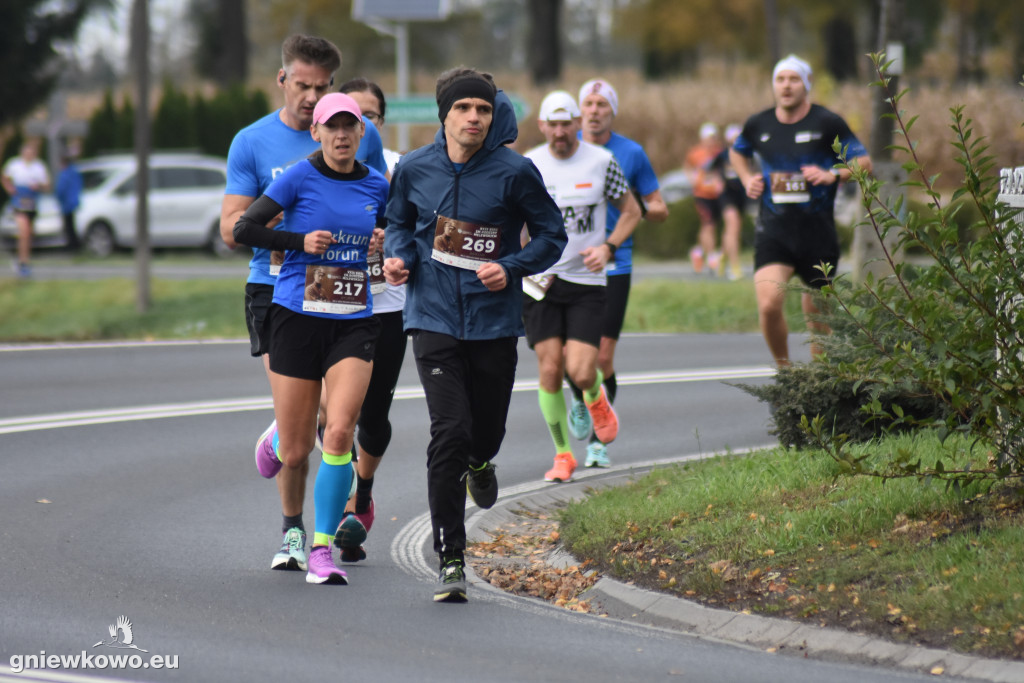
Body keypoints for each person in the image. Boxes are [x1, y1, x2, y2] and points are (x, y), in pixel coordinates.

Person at [382, 67, 566, 602]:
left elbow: (552, 234)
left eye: (483, 110)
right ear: (445, 115)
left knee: (482, 435)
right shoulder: (415, 168)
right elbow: (398, 221)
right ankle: (452, 557)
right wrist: (398, 256)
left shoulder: (514, 172)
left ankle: (483, 463)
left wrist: (511, 266)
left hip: (493, 322)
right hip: (432, 317)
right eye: (463, 108)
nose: (474, 118)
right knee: (450, 432)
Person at [219, 34, 387, 576]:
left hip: (348, 301)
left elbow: (387, 213)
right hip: (277, 289)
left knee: (336, 424)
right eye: (303, 86)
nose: (311, 97)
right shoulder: (253, 142)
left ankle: (320, 539)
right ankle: (290, 495)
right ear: (282, 80)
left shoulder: (367, 148)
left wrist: (387, 246)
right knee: (300, 441)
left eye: (322, 88)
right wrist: (295, 234)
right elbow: (232, 228)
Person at [523, 90, 642, 484]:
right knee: (550, 368)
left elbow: (631, 211)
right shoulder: (529, 165)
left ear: (578, 124)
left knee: (581, 370)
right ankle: (562, 456)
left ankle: (594, 396)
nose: (560, 131)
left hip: (587, 282)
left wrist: (609, 247)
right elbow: (513, 220)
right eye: (552, 124)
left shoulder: (601, 161)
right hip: (541, 281)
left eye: (566, 123)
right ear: (542, 126)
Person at [729, 54, 872, 366]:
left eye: (794, 79)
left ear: (806, 84)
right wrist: (746, 178)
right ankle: (785, 372)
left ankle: (819, 378)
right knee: (768, 305)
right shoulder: (759, 124)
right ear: (774, 85)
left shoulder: (826, 122)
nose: (786, 86)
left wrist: (831, 174)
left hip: (816, 233)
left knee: (818, 317)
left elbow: (864, 162)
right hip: (774, 231)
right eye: (780, 80)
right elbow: (737, 152)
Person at [567, 78, 669, 468]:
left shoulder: (631, 153)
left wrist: (643, 210)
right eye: (588, 104)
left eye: (601, 105)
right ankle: (579, 397)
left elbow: (656, 204)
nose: (594, 110)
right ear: (581, 110)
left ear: (612, 111)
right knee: (569, 356)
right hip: (571, 263)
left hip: (614, 262)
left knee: (603, 357)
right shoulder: (565, 146)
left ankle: (597, 441)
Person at [331, 78, 408, 563]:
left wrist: (394, 244)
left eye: (368, 117)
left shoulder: (403, 169)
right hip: (335, 306)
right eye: (346, 117)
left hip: (388, 305)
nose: (356, 126)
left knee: (373, 417)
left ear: (379, 122)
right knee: (334, 416)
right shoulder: (319, 166)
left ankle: (363, 487)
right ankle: (343, 511)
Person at [1, 140, 50, 277]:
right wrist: (10, 189)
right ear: (22, 152)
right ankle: (24, 263)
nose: (29, 155)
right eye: (27, 152)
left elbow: (47, 185)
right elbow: (4, 177)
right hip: (19, 201)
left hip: (32, 202)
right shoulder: (14, 164)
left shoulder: (39, 167)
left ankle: (21, 258)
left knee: (29, 234)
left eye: (32, 152)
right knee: (24, 231)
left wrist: (39, 187)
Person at [684, 122, 726, 275]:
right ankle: (712, 256)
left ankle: (698, 251)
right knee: (709, 224)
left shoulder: (720, 153)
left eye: (713, 138)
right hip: (701, 194)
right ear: (702, 139)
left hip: (717, 194)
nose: (711, 141)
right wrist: (692, 179)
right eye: (708, 138)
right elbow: (687, 167)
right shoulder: (696, 153)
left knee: (711, 224)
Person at [708, 123, 746, 280]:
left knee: (733, 230)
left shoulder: (746, 154)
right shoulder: (722, 155)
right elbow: (709, 171)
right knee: (733, 225)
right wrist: (717, 182)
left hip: (741, 194)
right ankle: (735, 266)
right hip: (726, 195)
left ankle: (722, 256)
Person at [55, 152, 83, 253]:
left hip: (66, 203)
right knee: (72, 224)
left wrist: (58, 198)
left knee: (68, 225)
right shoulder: (74, 172)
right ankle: (75, 244)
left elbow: (60, 189)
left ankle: (71, 245)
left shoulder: (65, 173)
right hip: (73, 201)